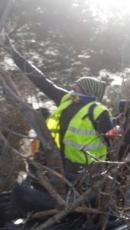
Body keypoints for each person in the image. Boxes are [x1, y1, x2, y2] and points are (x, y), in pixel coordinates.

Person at [7, 40, 112, 173]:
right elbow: (41, 80)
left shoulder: (99, 112)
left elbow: (111, 145)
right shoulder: (67, 100)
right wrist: (14, 54)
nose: (72, 88)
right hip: (62, 163)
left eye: (76, 87)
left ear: (86, 90)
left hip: (88, 169)